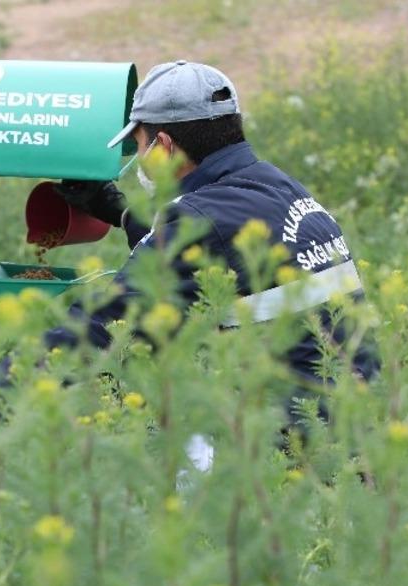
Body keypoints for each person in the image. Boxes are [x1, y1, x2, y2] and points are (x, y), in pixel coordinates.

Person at [47, 60, 377, 433]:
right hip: (355, 424)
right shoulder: (276, 186)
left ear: (165, 147)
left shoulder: (199, 221)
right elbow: (212, 245)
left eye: (140, 144)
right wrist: (118, 211)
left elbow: (103, 329)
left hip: (284, 448)